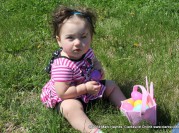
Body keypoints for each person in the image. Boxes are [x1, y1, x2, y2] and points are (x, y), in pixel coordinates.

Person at [40, 5, 126, 133]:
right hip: (67, 96)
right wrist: (85, 88)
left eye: (83, 36)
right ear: (59, 41)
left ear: (91, 37)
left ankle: (129, 108)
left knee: (111, 85)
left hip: (86, 89)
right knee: (71, 107)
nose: (78, 43)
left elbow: (94, 61)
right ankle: (92, 130)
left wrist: (98, 68)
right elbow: (63, 92)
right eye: (70, 38)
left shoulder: (87, 52)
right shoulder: (63, 65)